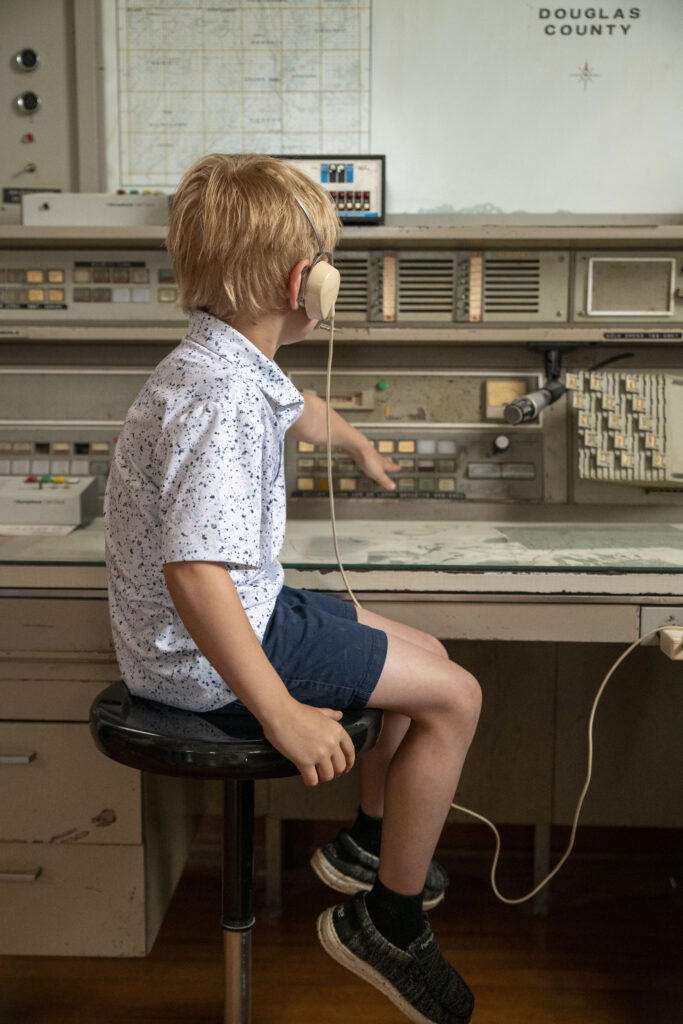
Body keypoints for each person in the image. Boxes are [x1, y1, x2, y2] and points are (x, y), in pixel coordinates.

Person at [104, 152, 481, 1024]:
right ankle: (387, 922)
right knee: (453, 699)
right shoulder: (222, 397)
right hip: (207, 655)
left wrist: (352, 441)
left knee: (427, 658)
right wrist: (280, 711)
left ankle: (366, 847)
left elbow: (294, 405)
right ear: (301, 281)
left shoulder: (218, 360)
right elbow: (195, 574)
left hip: (238, 615)